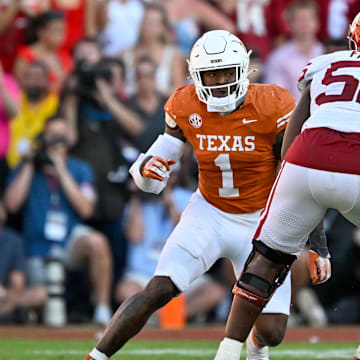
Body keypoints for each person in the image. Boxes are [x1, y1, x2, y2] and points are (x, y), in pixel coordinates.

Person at [83, 30, 328, 360]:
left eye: (227, 71)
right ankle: (95, 357)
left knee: (272, 333)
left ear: (244, 69)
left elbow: (297, 175)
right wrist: (146, 172)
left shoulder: (272, 104)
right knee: (158, 288)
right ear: (196, 75)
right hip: (209, 213)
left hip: (262, 221)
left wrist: (315, 243)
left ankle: (255, 345)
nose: (220, 81)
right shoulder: (185, 103)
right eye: (212, 73)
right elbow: (155, 169)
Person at [212, 11, 360, 359]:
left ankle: (229, 350)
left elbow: (292, 136)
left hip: (304, 157)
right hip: (355, 163)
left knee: (264, 261)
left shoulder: (325, 64)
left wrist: (308, 229)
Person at [4, 115, 113, 326]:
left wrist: (61, 169)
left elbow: (86, 209)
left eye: (61, 136)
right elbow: (11, 205)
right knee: (44, 304)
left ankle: (102, 309)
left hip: (69, 242)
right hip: (37, 247)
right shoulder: (29, 167)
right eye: (53, 136)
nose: (57, 141)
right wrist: (29, 163)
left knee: (98, 243)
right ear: (44, 138)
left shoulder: (80, 168)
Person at [264, 0, 325, 101]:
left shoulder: (327, 53)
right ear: (290, 24)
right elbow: (275, 98)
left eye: (309, 19)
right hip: (291, 114)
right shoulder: (278, 58)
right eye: (300, 19)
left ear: (317, 22)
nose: (305, 24)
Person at [7, 61, 59, 169]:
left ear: (47, 82)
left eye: (38, 77)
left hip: (38, 166)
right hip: (7, 164)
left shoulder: (55, 104)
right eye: (29, 76)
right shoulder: (15, 99)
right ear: (23, 81)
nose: (34, 80)